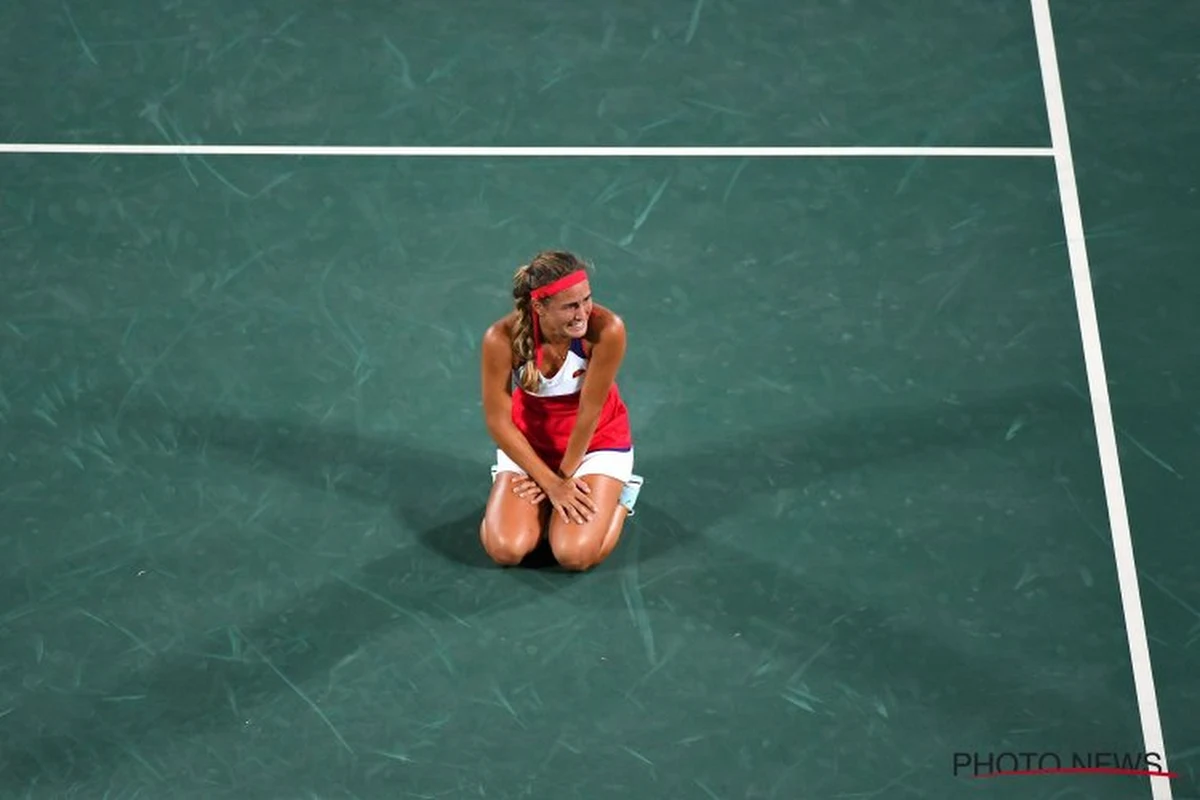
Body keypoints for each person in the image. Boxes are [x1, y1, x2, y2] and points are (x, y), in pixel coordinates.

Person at [479, 250, 642, 571]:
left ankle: (623, 496)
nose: (583, 313)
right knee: (505, 550)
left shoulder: (608, 331)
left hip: (595, 445)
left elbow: (589, 414)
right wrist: (549, 483)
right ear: (539, 307)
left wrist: (560, 480)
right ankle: (530, 508)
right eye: (570, 306)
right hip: (530, 446)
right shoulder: (500, 338)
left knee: (573, 556)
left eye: (587, 300)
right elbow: (498, 421)